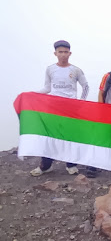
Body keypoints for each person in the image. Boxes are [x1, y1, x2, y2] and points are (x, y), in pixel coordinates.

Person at [30, 40, 89, 176]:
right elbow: (47, 88)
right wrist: (33, 94)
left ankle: (71, 165)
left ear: (70, 53)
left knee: (70, 138)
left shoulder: (75, 70)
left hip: (71, 109)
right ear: (55, 53)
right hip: (54, 108)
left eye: (65, 52)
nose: (63, 54)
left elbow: (85, 86)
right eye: (60, 52)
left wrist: (81, 102)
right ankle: (46, 165)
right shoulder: (50, 69)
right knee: (50, 137)